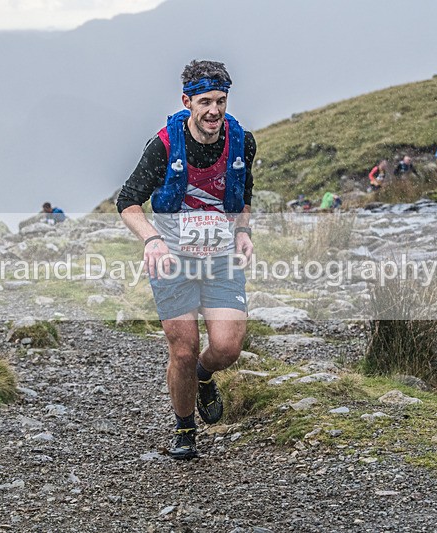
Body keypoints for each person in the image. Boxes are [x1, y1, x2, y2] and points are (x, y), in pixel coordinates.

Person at [117, 60, 255, 460]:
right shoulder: (163, 146)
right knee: (183, 349)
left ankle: (203, 376)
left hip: (221, 258)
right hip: (172, 260)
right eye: (205, 101)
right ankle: (184, 428)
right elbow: (127, 201)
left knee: (227, 348)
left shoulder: (242, 142)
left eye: (220, 101)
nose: (214, 110)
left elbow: (244, 193)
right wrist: (152, 240)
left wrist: (243, 231)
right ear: (187, 101)